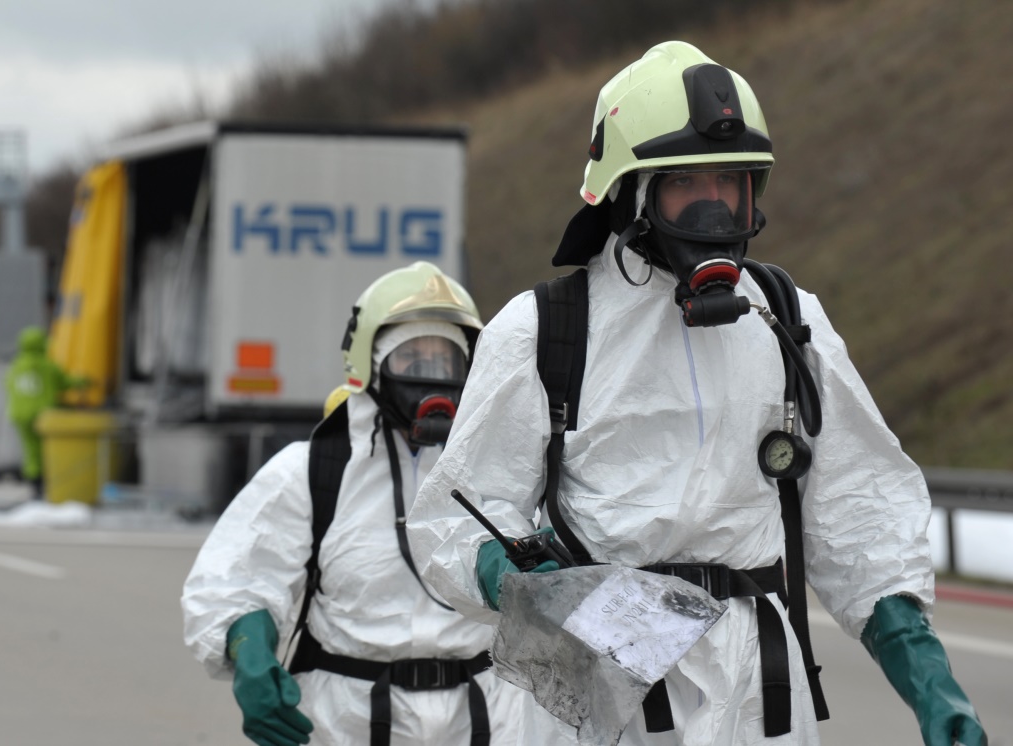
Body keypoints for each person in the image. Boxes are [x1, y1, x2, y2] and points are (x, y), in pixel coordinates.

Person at [407, 41, 986, 746]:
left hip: (760, 696)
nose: (715, 208)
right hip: (607, 680)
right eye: (687, 183)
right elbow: (455, 517)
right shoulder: (548, 329)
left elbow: (856, 514)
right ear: (631, 193)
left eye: (731, 183)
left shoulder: (788, 320)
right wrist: (509, 574)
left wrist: (930, 685)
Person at [182, 261, 570, 746]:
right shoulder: (310, 471)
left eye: (446, 360)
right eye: (414, 359)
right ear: (369, 366)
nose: (433, 377)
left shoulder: (506, 471)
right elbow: (239, 580)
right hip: (346, 722)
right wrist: (251, 657)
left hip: (488, 716)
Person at [4, 325, 88, 499]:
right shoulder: (47, 366)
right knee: (48, 451)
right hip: (43, 415)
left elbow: (8, 387)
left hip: (20, 415)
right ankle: (48, 486)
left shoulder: (16, 366)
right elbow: (65, 382)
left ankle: (35, 487)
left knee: (31, 452)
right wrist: (86, 381)